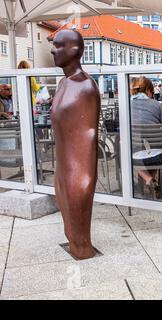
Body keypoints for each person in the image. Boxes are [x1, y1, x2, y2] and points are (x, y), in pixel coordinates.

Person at [50, 29, 100, 260]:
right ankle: (77, 245)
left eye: (59, 45)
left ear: (75, 50)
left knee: (79, 239)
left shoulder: (86, 87)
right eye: (54, 44)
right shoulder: (63, 83)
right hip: (63, 172)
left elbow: (87, 143)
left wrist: (83, 185)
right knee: (69, 231)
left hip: (77, 178)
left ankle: (83, 249)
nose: (53, 49)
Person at [130, 76, 162, 197]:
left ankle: (147, 179)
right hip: (160, 156)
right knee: (156, 148)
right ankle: (151, 181)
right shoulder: (157, 105)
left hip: (134, 155)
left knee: (124, 152)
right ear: (148, 90)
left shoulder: (126, 105)